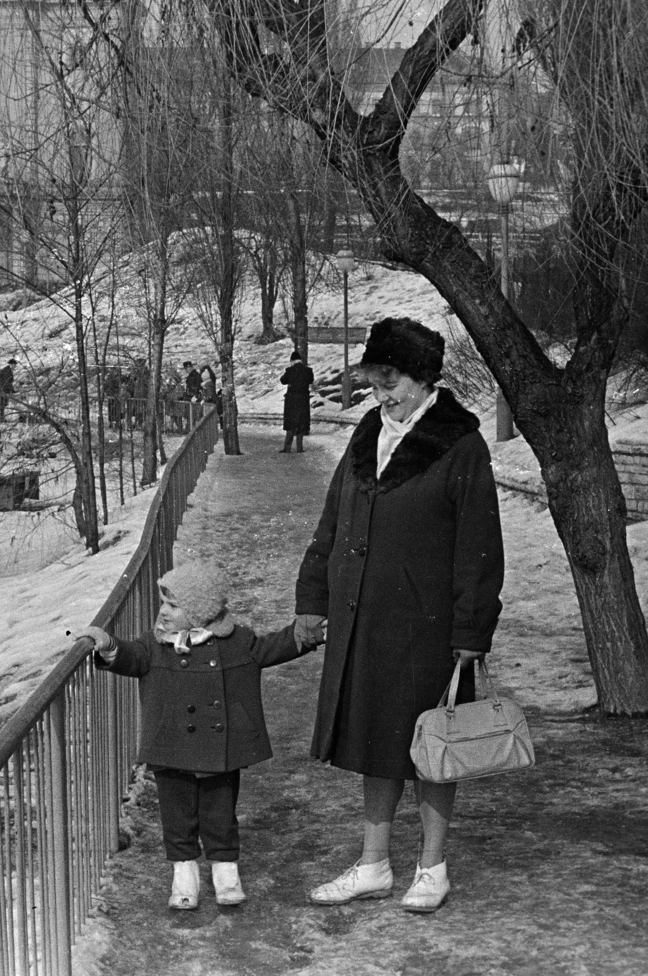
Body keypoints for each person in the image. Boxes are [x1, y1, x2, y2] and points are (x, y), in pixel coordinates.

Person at [293, 316, 505, 915]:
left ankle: (432, 868)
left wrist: (471, 633)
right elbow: (331, 523)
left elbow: (480, 546)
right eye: (376, 381)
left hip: (429, 627)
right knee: (374, 741)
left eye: (392, 382)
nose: (381, 395)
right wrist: (312, 596)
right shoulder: (368, 434)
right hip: (364, 616)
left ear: (424, 378)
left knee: (433, 744)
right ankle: (373, 864)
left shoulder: (460, 444)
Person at [75, 560, 325, 910]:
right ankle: (184, 875)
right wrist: (109, 645)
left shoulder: (237, 642)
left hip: (217, 750)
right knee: (176, 816)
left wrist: (305, 633)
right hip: (170, 743)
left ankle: (226, 873)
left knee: (220, 812)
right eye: (164, 603)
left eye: (174, 605)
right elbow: (130, 656)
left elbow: (273, 647)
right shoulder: (155, 644)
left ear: (200, 612)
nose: (163, 611)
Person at [279, 349, 315, 453]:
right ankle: (300, 448)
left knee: (290, 423)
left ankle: (287, 447)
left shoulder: (290, 371)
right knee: (301, 423)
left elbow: (282, 381)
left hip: (291, 401)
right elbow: (311, 380)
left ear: (292, 360)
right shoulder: (308, 371)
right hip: (303, 401)